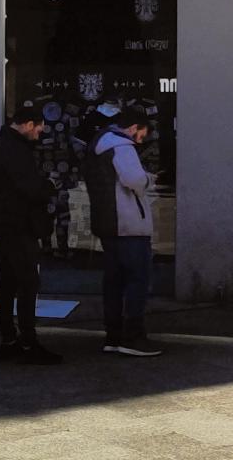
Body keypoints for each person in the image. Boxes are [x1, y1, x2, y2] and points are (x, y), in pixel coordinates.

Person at [0, 106, 61, 364]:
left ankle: (10, 339)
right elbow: (29, 188)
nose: (39, 133)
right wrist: (50, 186)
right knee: (28, 283)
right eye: (38, 127)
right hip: (18, 226)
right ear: (27, 124)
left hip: (3, 226)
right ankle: (28, 341)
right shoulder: (15, 151)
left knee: (9, 283)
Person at [86, 109, 163, 357]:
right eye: (142, 132)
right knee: (137, 281)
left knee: (114, 283)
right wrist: (149, 180)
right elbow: (134, 180)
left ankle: (114, 335)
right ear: (134, 127)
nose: (142, 139)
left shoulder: (100, 143)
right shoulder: (122, 145)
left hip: (109, 224)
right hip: (128, 224)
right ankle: (133, 337)